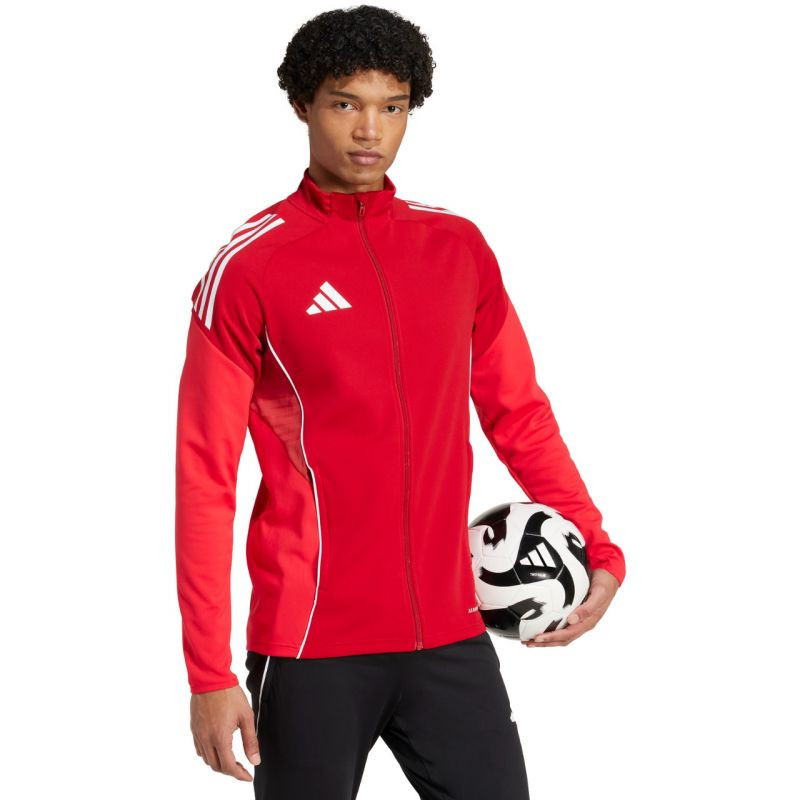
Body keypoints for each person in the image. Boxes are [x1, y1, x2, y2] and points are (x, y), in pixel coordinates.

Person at [174, 5, 626, 798]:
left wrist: (595, 546)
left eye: (393, 107)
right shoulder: (249, 268)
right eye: (345, 103)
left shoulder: (458, 248)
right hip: (311, 647)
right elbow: (205, 475)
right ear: (302, 105)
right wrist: (209, 673)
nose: (369, 130)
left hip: (451, 635)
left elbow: (519, 414)